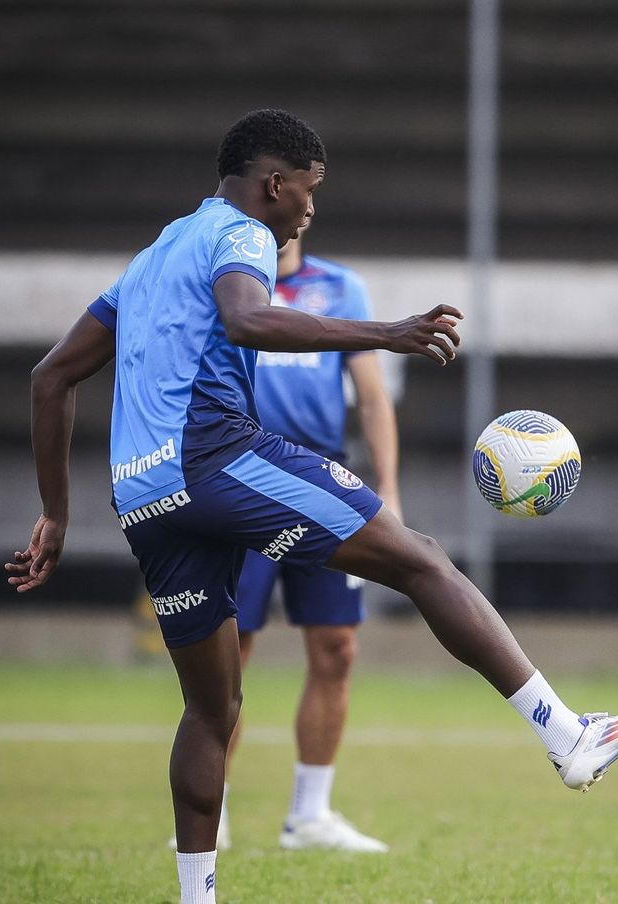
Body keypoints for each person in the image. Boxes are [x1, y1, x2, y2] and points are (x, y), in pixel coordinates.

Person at [5, 108, 618, 904]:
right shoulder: (243, 231)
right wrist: (383, 333)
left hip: (144, 495)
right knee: (421, 559)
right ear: (274, 184)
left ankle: (196, 897)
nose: (310, 211)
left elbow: (50, 377)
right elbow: (247, 319)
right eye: (309, 193)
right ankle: (567, 735)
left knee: (210, 713)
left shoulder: (151, 257)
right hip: (215, 454)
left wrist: (56, 513)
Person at [175, 226, 400, 854]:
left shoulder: (340, 285)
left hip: (325, 477)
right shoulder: (230, 284)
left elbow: (374, 400)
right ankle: (210, 811)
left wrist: (389, 490)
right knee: (230, 650)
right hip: (242, 475)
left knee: (337, 647)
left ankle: (310, 814)